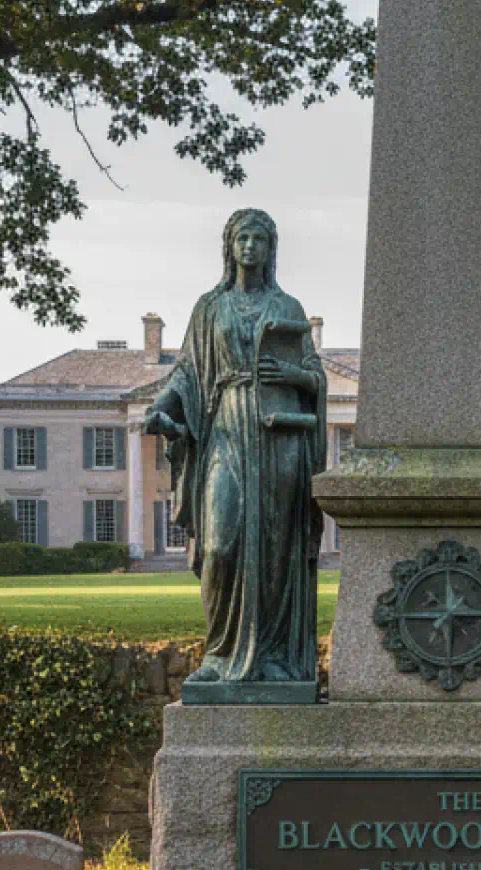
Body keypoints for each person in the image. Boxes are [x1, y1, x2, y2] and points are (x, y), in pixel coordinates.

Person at [145, 209, 327, 684]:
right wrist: (161, 408)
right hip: (226, 427)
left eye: (259, 238)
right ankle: (220, 654)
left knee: (274, 546)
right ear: (229, 245)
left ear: (271, 249)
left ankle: (273, 657)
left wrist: (294, 376)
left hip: (279, 436)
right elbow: (185, 372)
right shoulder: (209, 307)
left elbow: (315, 375)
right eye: (242, 237)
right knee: (221, 542)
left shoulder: (288, 307)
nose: (250, 246)